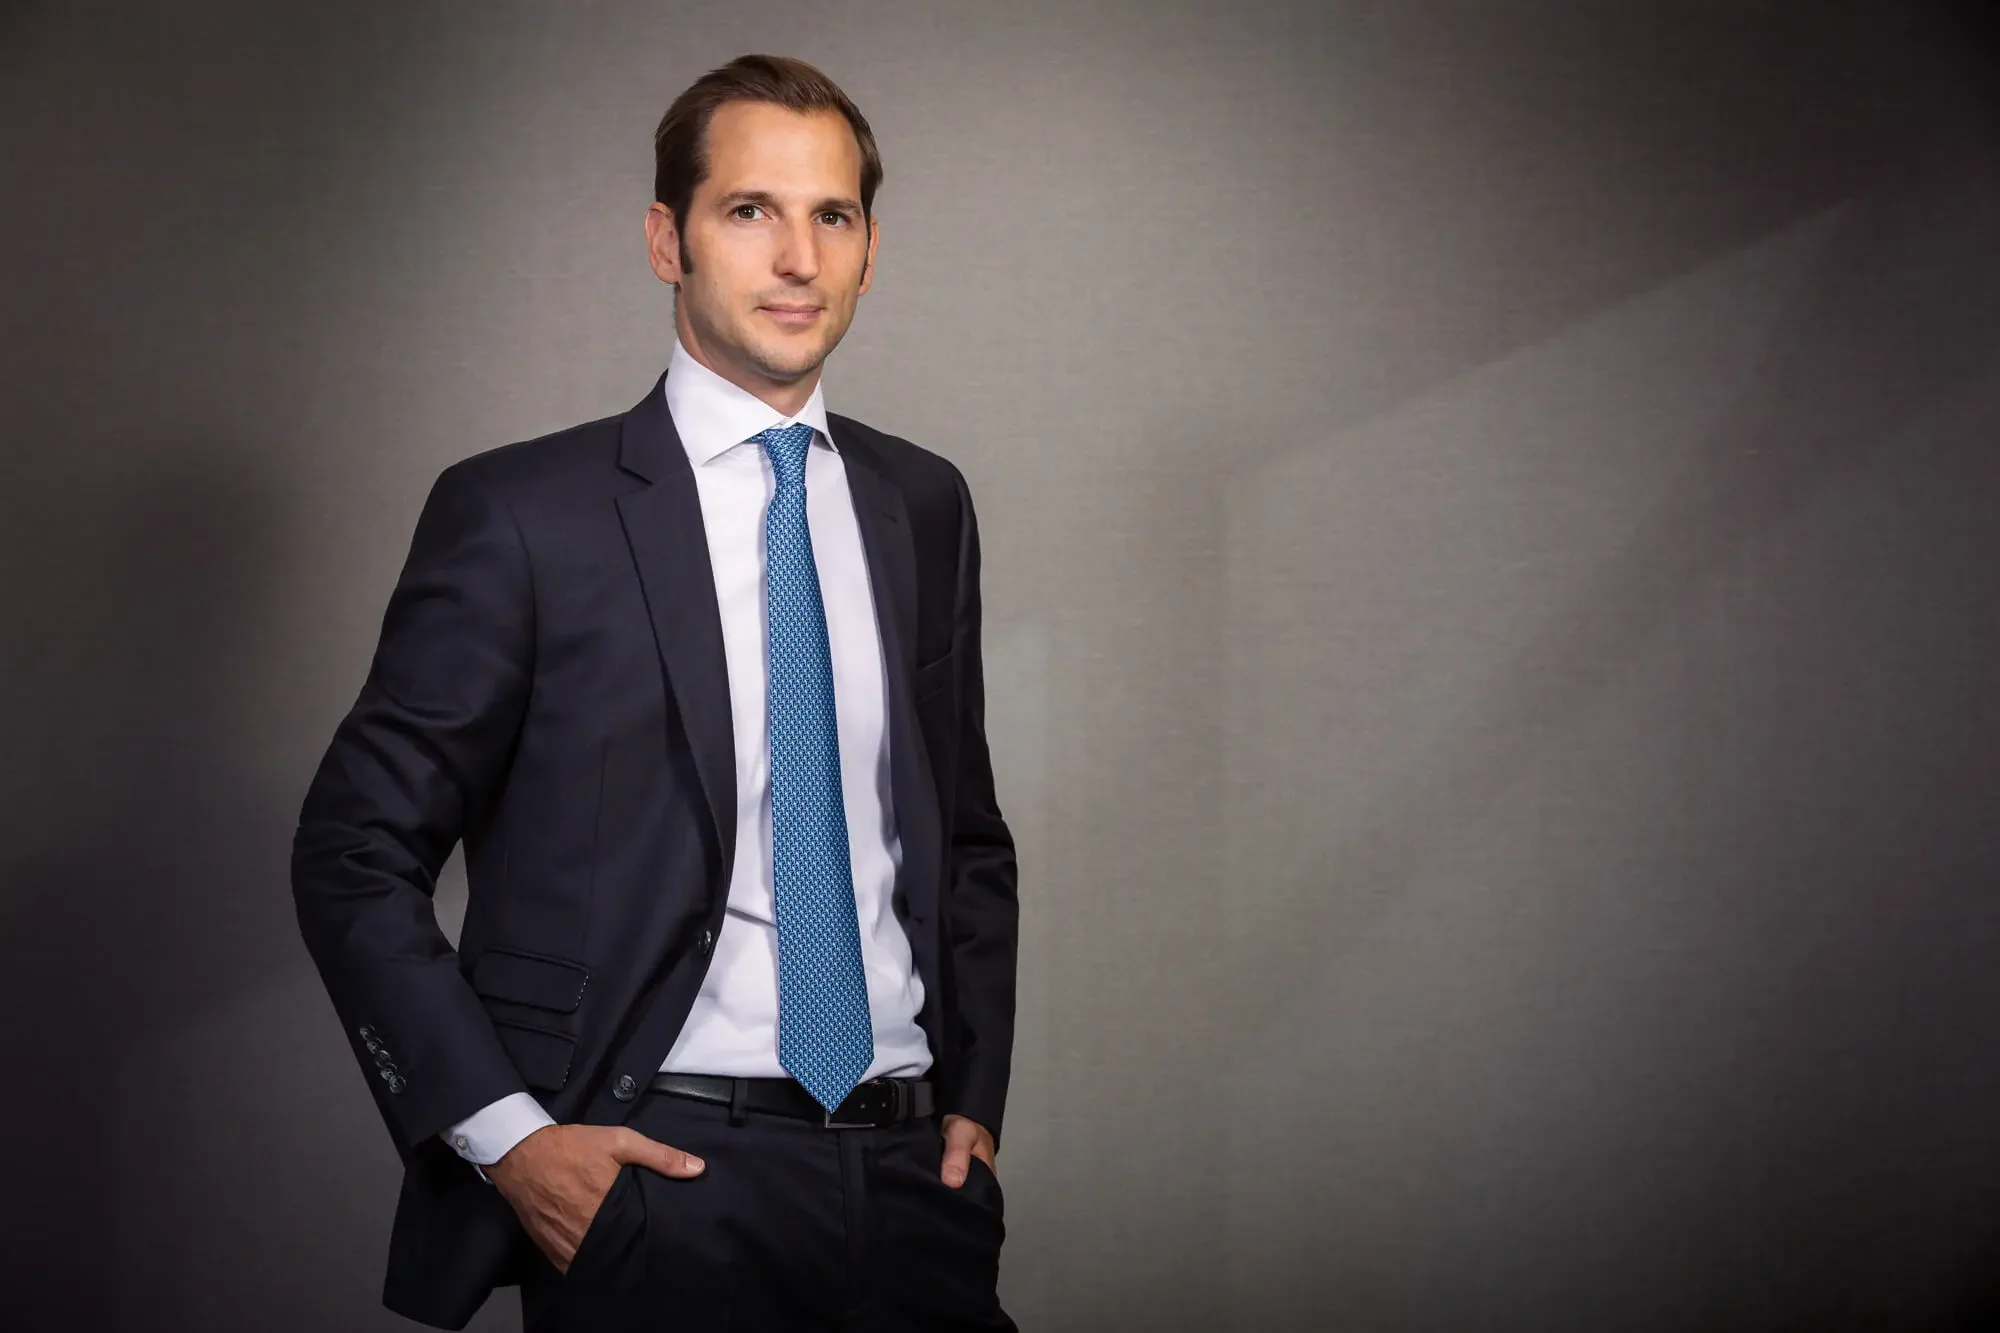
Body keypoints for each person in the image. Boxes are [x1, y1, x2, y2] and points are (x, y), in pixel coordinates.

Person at [290, 52, 1019, 1332]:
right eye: (750, 210)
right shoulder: (524, 514)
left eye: (829, 216)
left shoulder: (921, 503)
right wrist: (510, 1142)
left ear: (867, 250)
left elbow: (960, 833)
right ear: (664, 240)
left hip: (912, 1182)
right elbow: (352, 850)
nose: (795, 255)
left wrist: (973, 1099)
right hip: (659, 1181)